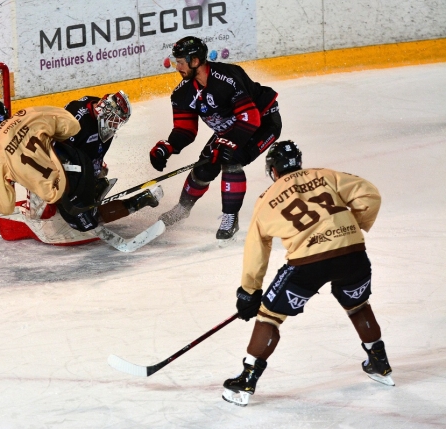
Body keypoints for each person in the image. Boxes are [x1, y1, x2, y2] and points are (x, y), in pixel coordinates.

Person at [221, 141, 393, 407]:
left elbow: (258, 247)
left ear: (273, 170)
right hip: (352, 253)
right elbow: (369, 194)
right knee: (358, 305)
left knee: (269, 317)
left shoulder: (266, 199)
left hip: (308, 262)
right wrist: (353, 228)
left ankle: (246, 380)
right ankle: (380, 363)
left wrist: (249, 290)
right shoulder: (324, 175)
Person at [149, 36, 282, 241]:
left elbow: (250, 117)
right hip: (231, 127)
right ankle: (182, 209)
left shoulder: (227, 77)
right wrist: (168, 147)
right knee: (204, 167)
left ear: (195, 61)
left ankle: (230, 218)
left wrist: (228, 142)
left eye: (181, 62)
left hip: (263, 121)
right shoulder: (182, 93)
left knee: (231, 158)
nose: (177, 67)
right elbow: (185, 130)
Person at [0, 101, 162, 244]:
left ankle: (141, 200)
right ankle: (96, 184)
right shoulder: (25, 114)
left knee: (83, 222)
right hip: (81, 161)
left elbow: (6, 206)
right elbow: (71, 126)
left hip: (67, 185)